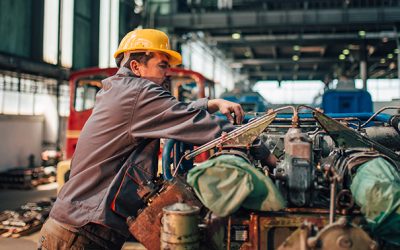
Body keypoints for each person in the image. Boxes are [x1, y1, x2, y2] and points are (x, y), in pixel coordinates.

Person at [38, 28, 245, 249]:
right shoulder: (140, 92)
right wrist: (255, 143)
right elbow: (203, 125)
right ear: (136, 67)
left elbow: (173, 111)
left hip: (76, 226)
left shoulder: (120, 90)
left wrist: (209, 104)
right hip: (80, 234)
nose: (168, 73)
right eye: (162, 65)